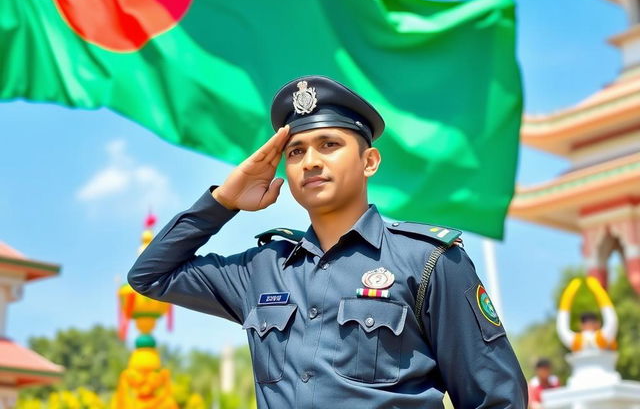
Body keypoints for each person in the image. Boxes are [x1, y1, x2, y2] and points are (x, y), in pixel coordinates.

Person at [128, 75, 528, 408]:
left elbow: (497, 397)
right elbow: (150, 275)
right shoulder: (262, 270)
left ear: (369, 161)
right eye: (296, 151)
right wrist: (222, 201)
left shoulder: (428, 262)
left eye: (329, 145)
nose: (311, 161)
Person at [556, 276, 618, 352]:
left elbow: (612, 322)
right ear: (581, 326)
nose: (588, 325)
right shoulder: (578, 341)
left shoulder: (602, 338)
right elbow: (562, 329)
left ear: (597, 324)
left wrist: (598, 290)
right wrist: (568, 295)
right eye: (585, 322)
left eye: (591, 322)